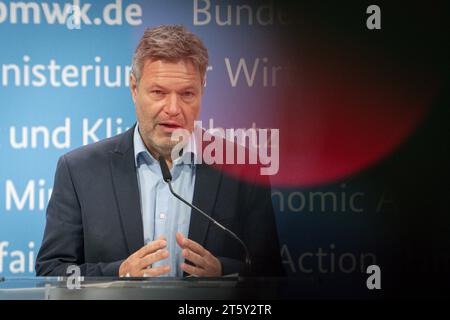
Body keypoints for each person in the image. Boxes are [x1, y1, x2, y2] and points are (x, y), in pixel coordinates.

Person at [35, 25, 284, 277]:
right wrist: (118, 273)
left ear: (203, 90)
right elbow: (52, 272)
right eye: (158, 92)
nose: (173, 108)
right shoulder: (79, 170)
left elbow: (271, 274)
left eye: (187, 94)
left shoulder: (242, 169)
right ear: (134, 88)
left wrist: (224, 272)